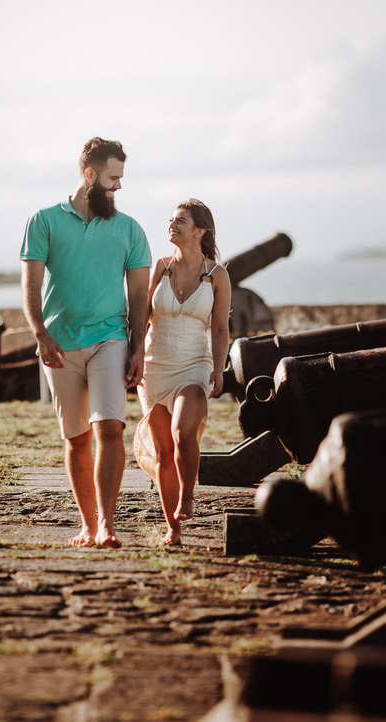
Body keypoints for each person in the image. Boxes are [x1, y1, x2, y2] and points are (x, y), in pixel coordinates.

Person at [20, 137, 151, 549]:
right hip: (59, 346)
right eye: (113, 178)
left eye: (121, 179)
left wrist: (137, 347)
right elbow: (31, 285)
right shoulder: (43, 221)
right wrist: (40, 334)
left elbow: (139, 296)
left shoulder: (130, 228)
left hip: (109, 339)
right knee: (76, 439)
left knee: (110, 427)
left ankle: (109, 524)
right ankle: (87, 525)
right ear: (90, 175)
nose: (118, 187)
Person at [137, 199, 231, 545]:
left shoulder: (217, 275)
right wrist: (133, 357)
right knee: (163, 450)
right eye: (171, 220)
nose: (171, 226)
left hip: (194, 365)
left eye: (181, 221)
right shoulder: (159, 268)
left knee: (181, 432)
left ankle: (187, 495)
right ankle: (172, 529)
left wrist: (219, 369)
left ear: (199, 231)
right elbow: (141, 318)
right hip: (153, 366)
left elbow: (220, 329)